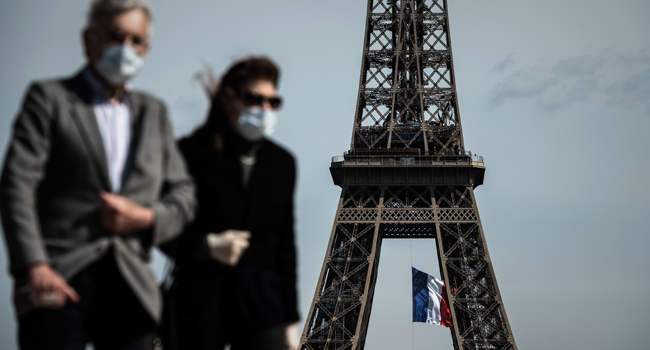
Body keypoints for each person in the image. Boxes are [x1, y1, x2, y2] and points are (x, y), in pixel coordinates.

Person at [0, 1, 195, 349]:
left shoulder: (154, 113)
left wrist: (147, 217)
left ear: (146, 50)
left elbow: (183, 194)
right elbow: (17, 184)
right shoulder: (50, 99)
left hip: (131, 283)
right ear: (88, 39)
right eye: (117, 36)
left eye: (137, 40)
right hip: (60, 276)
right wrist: (34, 266)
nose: (127, 48)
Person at [166, 57, 299, 350]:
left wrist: (290, 319)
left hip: (263, 305)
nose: (264, 108)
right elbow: (162, 228)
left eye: (273, 102)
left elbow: (285, 246)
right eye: (254, 98)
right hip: (202, 299)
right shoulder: (190, 154)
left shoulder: (282, 163)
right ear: (229, 99)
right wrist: (206, 246)